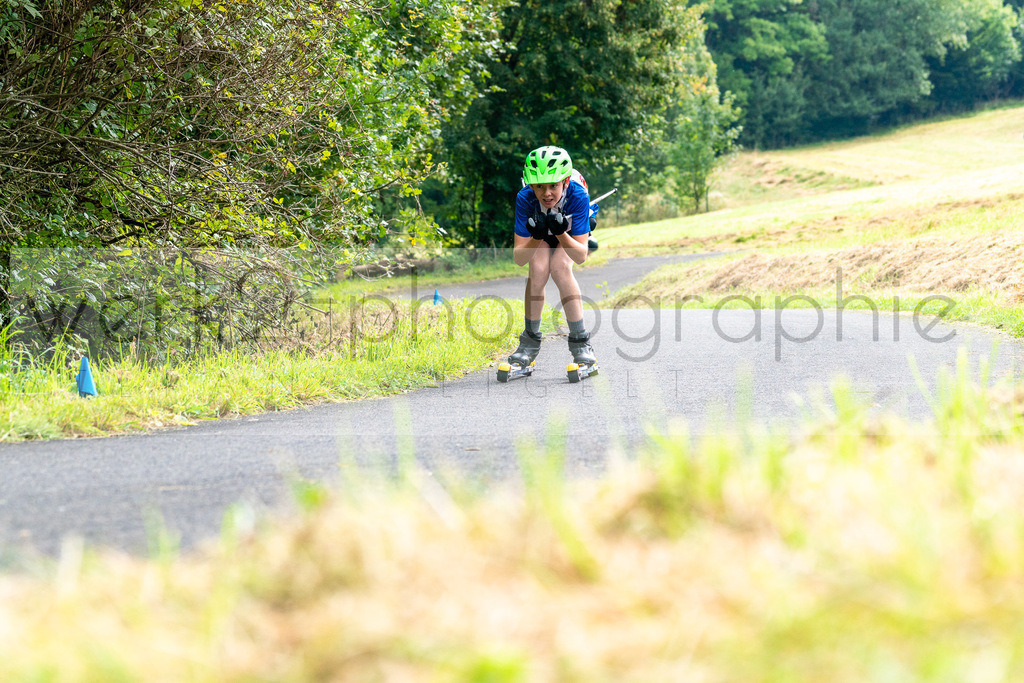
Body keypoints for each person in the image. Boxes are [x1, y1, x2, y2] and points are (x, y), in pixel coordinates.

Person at [502, 145, 597, 378]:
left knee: (560, 267)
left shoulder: (577, 195)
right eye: (539, 187)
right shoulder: (525, 199)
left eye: (553, 185)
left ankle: (582, 346)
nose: (547, 194)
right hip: (540, 232)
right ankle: (528, 347)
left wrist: (561, 233)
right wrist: (536, 236)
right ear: (530, 185)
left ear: (565, 182)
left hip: (570, 230)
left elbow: (580, 256)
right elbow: (519, 258)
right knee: (538, 269)